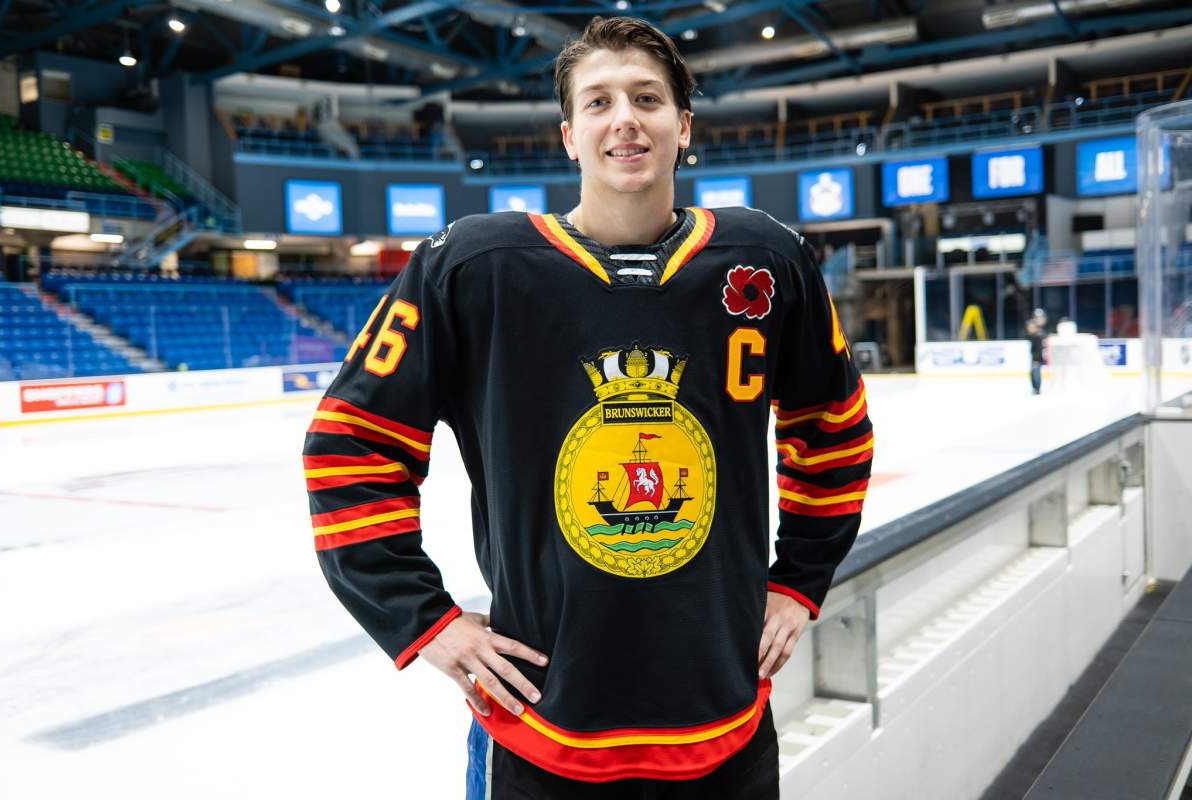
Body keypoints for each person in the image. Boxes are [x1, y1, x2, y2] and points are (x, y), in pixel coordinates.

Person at [303, 16, 873, 799]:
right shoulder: (473, 268)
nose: (625, 119)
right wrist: (422, 618)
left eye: (647, 98)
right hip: (543, 726)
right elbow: (350, 443)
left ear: (684, 127)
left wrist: (800, 579)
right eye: (599, 102)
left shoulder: (767, 260)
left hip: (722, 720)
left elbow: (832, 429)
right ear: (569, 135)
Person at [1026, 308, 1047, 394]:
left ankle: (1037, 389)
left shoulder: (1041, 333)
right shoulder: (1034, 333)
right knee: (1033, 373)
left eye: (1041, 318)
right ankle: (1035, 388)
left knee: (1036, 373)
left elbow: (1040, 348)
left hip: (1038, 357)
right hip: (1035, 356)